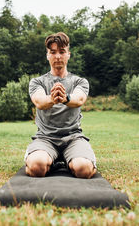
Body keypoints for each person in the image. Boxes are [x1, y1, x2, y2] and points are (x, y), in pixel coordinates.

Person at [25, 32, 97, 179]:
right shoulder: (37, 82)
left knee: (84, 170)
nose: (58, 56)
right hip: (45, 138)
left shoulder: (79, 81)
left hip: (73, 137)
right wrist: (53, 98)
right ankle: (52, 160)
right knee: (36, 167)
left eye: (62, 52)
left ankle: (70, 159)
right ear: (47, 55)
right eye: (53, 52)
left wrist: (65, 98)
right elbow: (39, 101)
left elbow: (79, 99)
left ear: (68, 54)